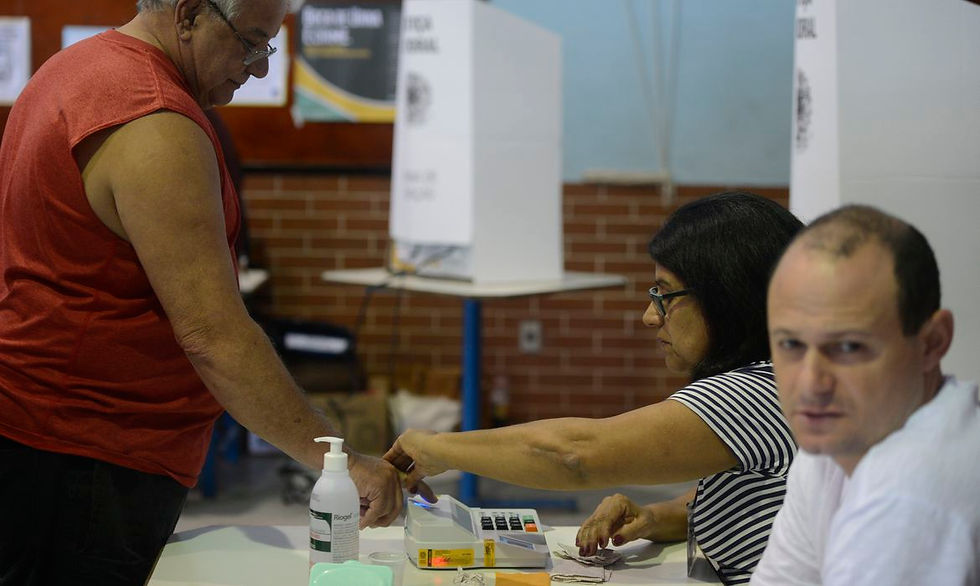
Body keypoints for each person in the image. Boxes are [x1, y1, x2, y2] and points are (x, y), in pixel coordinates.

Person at [0, 1, 416, 584]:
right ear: (191, 14)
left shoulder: (74, 69)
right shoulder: (152, 118)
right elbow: (213, 335)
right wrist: (337, 461)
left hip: (55, 438)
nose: (260, 69)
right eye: (250, 42)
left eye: (268, 47)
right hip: (87, 453)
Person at [386, 192, 802, 584]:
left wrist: (436, 448)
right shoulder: (785, 379)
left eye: (665, 295)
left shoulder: (758, 393)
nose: (650, 317)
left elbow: (574, 455)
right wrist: (656, 517)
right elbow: (754, 496)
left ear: (728, 298)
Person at [751, 205, 979, 585]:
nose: (810, 384)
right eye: (790, 343)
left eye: (849, 348)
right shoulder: (827, 453)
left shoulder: (908, 492)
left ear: (932, 344)